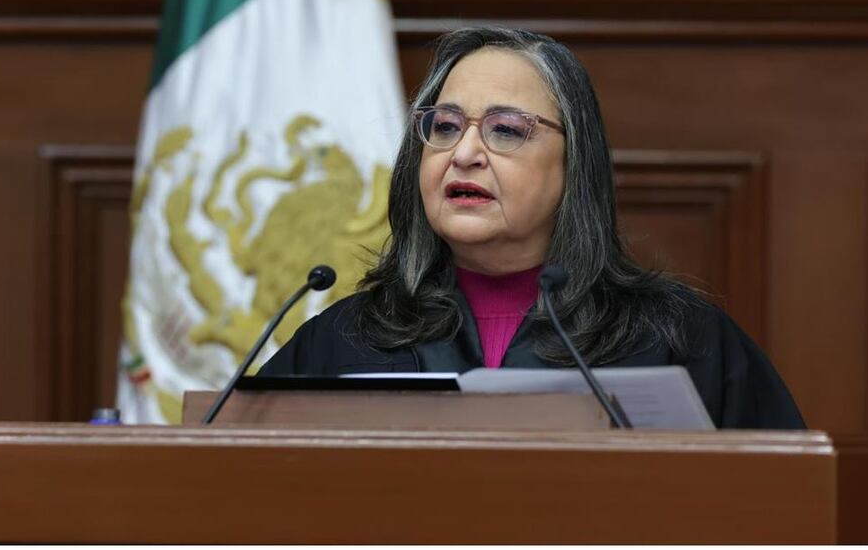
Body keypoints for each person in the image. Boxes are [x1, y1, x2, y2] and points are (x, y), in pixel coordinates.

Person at [259, 26, 805, 430]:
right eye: (445, 126)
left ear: (574, 164)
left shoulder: (677, 339)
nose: (464, 153)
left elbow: (780, 508)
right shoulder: (345, 340)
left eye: (505, 130)